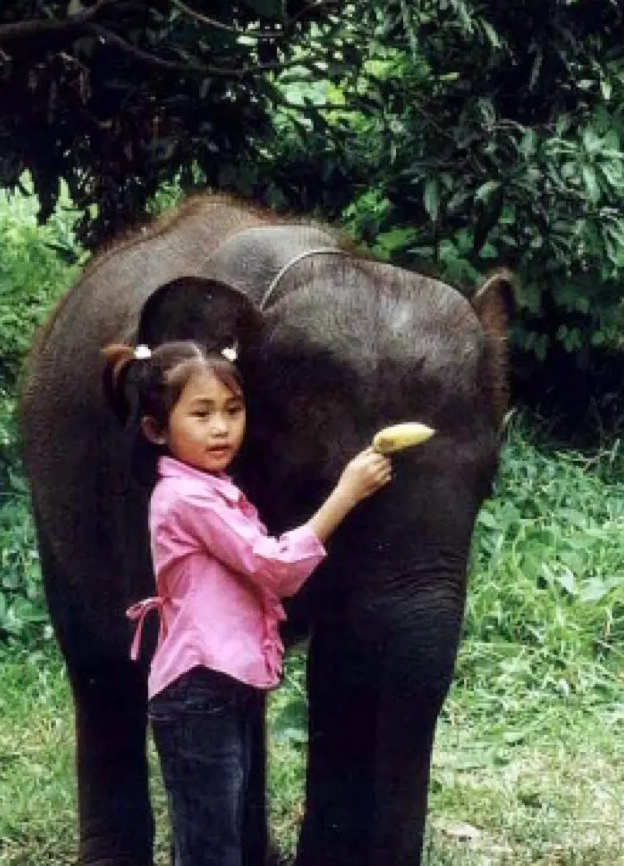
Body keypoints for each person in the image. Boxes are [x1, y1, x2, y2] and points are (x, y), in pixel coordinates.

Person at [102, 339, 393, 866]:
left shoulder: (213, 490)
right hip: (199, 690)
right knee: (211, 847)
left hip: (222, 685)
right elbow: (274, 567)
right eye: (201, 413)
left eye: (233, 412)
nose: (221, 428)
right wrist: (346, 494)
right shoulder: (188, 498)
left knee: (222, 836)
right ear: (155, 430)